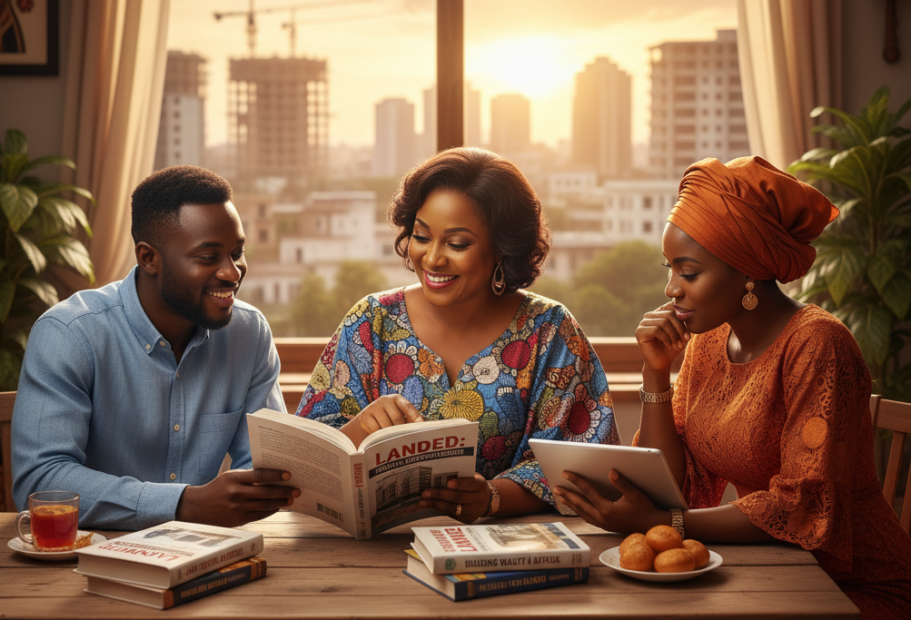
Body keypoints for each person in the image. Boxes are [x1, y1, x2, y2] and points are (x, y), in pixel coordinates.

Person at [552, 156, 911, 618]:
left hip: (849, 585)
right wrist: (655, 373)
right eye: (669, 269)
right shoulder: (708, 339)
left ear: (745, 270)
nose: (670, 289)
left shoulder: (819, 344)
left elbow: (799, 509)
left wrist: (665, 523)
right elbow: (675, 480)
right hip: (767, 568)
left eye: (688, 272)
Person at [295, 147, 620, 522]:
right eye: (421, 236)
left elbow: (586, 464)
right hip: (368, 555)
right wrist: (357, 430)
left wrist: (493, 498)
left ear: (502, 248)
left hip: (504, 551)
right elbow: (305, 459)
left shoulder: (549, 332)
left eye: (457, 243)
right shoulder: (371, 322)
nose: (432, 258)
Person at [11, 166, 300, 530]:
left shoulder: (249, 332)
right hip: (86, 561)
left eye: (237, 252)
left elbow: (264, 464)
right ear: (148, 258)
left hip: (206, 556)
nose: (232, 272)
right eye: (208, 257)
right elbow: (40, 483)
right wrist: (183, 504)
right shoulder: (68, 334)